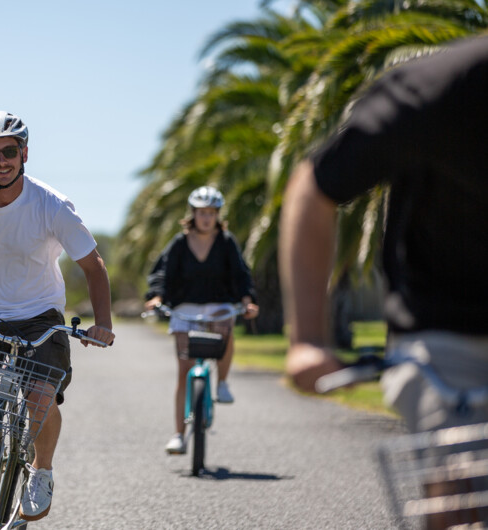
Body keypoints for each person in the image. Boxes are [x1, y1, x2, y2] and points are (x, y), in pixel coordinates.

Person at [280, 37, 488, 527]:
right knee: (461, 483)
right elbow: (315, 185)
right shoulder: (446, 88)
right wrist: (308, 340)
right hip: (447, 338)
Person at [0, 110, 115, 529]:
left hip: (38, 317)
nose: (1, 160)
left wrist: (102, 322)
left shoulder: (51, 204)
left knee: (39, 396)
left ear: (24, 153)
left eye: (9, 150)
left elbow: (94, 265)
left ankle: (41, 470)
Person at [143, 185, 258, 455]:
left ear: (218, 214)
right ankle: (179, 436)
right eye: (201, 212)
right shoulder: (179, 243)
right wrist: (156, 297)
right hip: (185, 308)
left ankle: (222, 383)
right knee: (184, 371)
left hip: (218, 306)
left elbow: (241, 275)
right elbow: (162, 272)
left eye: (211, 212)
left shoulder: (227, 242)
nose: (206, 217)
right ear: (192, 214)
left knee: (226, 326)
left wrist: (246, 301)